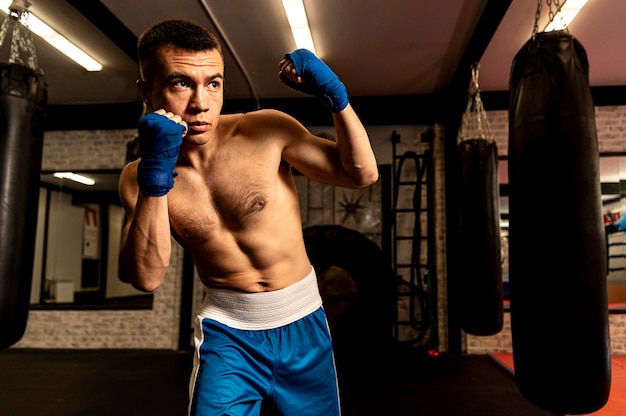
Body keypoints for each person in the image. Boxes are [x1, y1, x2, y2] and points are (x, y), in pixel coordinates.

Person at [118, 19, 378, 416]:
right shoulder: (138, 177)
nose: (201, 103)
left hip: (302, 322)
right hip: (227, 333)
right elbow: (146, 277)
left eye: (214, 83)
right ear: (146, 90)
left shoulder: (265, 129)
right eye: (180, 83)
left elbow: (360, 174)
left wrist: (336, 97)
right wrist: (156, 177)